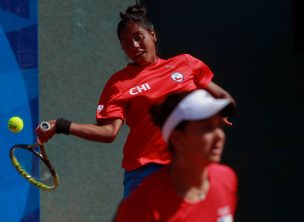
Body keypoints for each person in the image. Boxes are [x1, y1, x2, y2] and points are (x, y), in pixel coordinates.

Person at [36, 2, 236, 198]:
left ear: (153, 35)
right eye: (126, 42)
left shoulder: (185, 63)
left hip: (188, 166)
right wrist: (61, 125)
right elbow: (108, 132)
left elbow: (224, 99)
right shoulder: (118, 83)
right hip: (144, 172)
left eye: (138, 37)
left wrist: (215, 114)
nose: (134, 45)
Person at [114, 89, 238, 222]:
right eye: (206, 128)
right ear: (177, 138)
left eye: (219, 126)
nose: (219, 136)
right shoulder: (140, 204)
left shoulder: (226, 178)